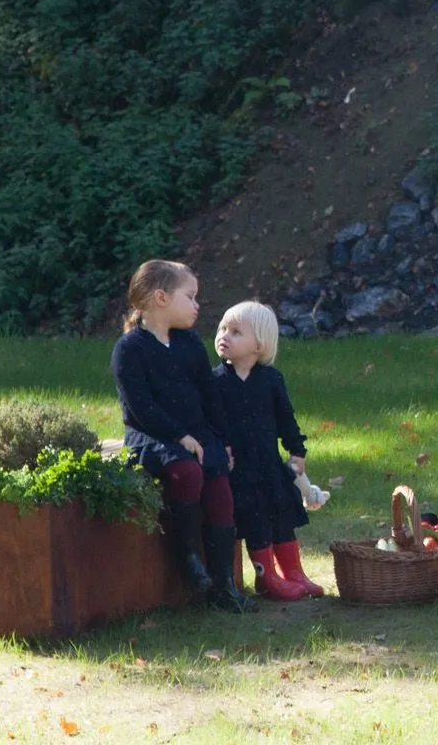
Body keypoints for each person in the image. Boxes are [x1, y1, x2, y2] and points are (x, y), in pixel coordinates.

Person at [111, 259, 254, 613]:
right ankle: (188, 559)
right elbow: (140, 408)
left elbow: (210, 396)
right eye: (189, 296)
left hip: (197, 435)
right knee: (187, 472)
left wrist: (222, 439)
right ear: (161, 297)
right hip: (153, 438)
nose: (197, 304)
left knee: (219, 485)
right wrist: (178, 435)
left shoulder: (189, 343)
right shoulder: (130, 350)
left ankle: (223, 585)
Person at [213, 300, 323, 601]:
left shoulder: (271, 380)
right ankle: (267, 576)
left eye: (235, 332)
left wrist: (296, 452)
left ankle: (294, 572)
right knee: (256, 520)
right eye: (222, 328)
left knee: (282, 516)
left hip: (269, 466)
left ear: (258, 345)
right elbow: (211, 420)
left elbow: (285, 418)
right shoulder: (216, 382)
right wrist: (220, 447)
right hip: (240, 470)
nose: (224, 335)